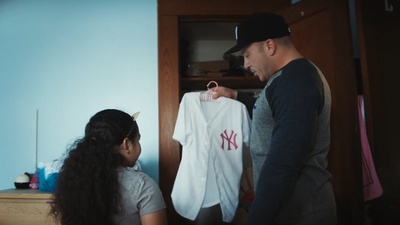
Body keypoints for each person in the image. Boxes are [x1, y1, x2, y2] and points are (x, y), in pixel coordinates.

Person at [212, 12, 337, 225]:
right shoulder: (289, 79)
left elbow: (283, 164)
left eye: (247, 54)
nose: (245, 64)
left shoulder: (295, 82)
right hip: (291, 211)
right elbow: (272, 115)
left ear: (269, 46)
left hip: (302, 215)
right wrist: (235, 95)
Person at [50, 109, 168, 225]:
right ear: (126, 144)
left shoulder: (72, 181)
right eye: (138, 140)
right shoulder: (143, 186)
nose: (139, 145)